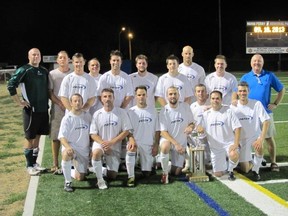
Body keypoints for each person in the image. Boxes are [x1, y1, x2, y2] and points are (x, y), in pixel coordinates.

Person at [232, 54, 285, 172]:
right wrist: (233, 100)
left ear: (263, 63)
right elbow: (236, 91)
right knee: (250, 138)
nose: (257, 63)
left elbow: (281, 89)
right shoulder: (246, 77)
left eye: (259, 61)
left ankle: (273, 162)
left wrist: (275, 103)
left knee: (268, 138)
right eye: (254, 61)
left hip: (265, 113)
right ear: (251, 63)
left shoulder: (269, 75)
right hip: (250, 114)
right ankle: (255, 161)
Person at [7, 48, 49, 176]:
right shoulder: (24, 70)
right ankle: (29, 165)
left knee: (38, 136)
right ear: (29, 56)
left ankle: (35, 163)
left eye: (38, 54)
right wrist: (19, 102)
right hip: (31, 111)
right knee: (29, 137)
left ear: (41, 56)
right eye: (33, 55)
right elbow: (11, 85)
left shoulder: (44, 71)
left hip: (43, 110)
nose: (36, 57)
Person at [97, 50, 134, 171]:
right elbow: (99, 94)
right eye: (113, 60)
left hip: (121, 112)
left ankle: (122, 161)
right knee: (107, 134)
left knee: (122, 136)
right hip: (107, 111)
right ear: (110, 61)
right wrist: (107, 108)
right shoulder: (104, 77)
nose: (115, 62)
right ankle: (102, 158)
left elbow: (129, 95)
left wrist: (120, 110)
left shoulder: (126, 77)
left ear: (121, 62)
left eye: (118, 60)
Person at [90, 88, 133, 189]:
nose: (107, 99)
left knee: (112, 175)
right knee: (96, 153)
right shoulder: (97, 114)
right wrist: (104, 144)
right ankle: (100, 181)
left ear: (114, 98)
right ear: (101, 99)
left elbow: (126, 131)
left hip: (114, 146)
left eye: (110, 96)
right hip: (100, 143)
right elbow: (93, 134)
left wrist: (111, 143)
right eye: (105, 96)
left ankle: (96, 168)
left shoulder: (121, 112)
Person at [230, 81, 270, 181]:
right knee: (245, 169)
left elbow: (266, 121)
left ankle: (256, 170)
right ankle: (248, 161)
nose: (242, 93)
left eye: (245, 91)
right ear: (237, 92)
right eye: (240, 91)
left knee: (259, 146)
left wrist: (261, 139)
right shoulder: (233, 107)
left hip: (254, 137)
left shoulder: (256, 104)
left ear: (248, 91)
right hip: (241, 140)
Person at [199, 90, 241, 181]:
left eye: (217, 98)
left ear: (221, 100)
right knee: (218, 174)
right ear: (210, 100)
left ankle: (231, 170)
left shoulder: (228, 111)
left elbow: (237, 128)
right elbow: (202, 133)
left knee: (233, 155)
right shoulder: (206, 115)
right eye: (213, 98)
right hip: (215, 148)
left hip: (228, 144)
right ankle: (225, 163)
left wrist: (236, 144)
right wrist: (200, 131)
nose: (215, 100)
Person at [158, 86, 195, 184]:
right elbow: (163, 132)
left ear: (179, 95)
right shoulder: (164, 111)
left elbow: (192, 123)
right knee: (165, 146)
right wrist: (176, 144)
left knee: (176, 172)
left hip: (181, 142)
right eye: (170, 94)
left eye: (175, 94)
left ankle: (165, 162)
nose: (173, 96)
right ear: (167, 96)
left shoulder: (185, 107)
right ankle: (165, 173)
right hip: (169, 141)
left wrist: (190, 127)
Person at [58, 93, 91, 192]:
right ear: (71, 103)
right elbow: (61, 136)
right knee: (66, 154)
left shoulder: (87, 116)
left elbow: (93, 133)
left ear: (82, 103)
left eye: (79, 101)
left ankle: (71, 170)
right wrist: (68, 147)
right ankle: (67, 181)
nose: (77, 103)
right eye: (75, 101)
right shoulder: (67, 118)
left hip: (83, 149)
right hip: (71, 147)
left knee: (80, 177)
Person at [127, 85, 160, 178]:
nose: (141, 97)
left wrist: (156, 145)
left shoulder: (153, 110)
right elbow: (127, 130)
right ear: (136, 96)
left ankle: (151, 163)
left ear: (147, 96)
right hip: (135, 143)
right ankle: (131, 174)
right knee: (131, 150)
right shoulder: (131, 111)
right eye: (139, 95)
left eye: (143, 95)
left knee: (146, 174)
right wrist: (131, 140)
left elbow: (157, 130)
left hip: (148, 144)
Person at [49, 50, 72, 174]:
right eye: (60, 58)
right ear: (57, 60)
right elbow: (50, 92)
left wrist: (69, 105)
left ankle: (73, 162)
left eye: (65, 57)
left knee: (72, 135)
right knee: (56, 135)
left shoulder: (73, 74)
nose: (63, 60)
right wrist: (59, 103)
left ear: (69, 60)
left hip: (71, 109)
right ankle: (55, 163)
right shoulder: (52, 74)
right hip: (58, 108)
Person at [182, 83, 211, 173]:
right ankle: (188, 161)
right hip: (195, 135)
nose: (201, 93)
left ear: (206, 93)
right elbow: (189, 123)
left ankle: (205, 159)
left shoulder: (212, 105)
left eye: (203, 91)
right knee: (183, 136)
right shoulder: (191, 106)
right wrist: (189, 128)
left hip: (209, 136)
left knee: (206, 162)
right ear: (195, 93)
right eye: (198, 91)